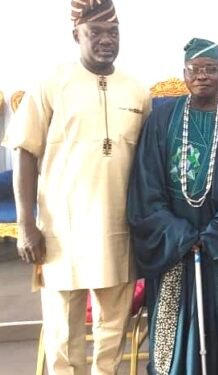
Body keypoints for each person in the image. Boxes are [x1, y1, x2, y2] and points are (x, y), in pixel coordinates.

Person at [2, 1, 150, 373]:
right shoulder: (52, 83)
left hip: (119, 228)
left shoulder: (137, 91)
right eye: (95, 33)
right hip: (61, 231)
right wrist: (26, 224)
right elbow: (24, 152)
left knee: (112, 328)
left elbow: (148, 163)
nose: (105, 41)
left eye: (112, 33)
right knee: (62, 334)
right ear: (76, 35)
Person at [126, 38, 218, 374]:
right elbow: (146, 185)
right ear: (184, 75)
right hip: (175, 244)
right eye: (195, 69)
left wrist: (217, 233)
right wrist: (179, 233)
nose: (203, 76)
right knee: (176, 337)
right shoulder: (162, 120)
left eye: (211, 69)